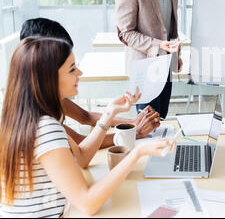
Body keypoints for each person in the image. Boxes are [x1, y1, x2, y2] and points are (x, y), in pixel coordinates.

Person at [0, 36, 176, 217]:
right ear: (49, 79)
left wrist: (110, 112)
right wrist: (137, 152)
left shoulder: (29, 118)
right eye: (72, 69)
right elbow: (88, 204)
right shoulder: (46, 128)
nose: (80, 73)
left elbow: (80, 158)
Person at [20, 18, 161, 148]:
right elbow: (81, 144)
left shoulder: (46, 91)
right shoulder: (38, 114)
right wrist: (135, 132)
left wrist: (132, 123)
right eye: (70, 67)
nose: (79, 72)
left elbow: (85, 117)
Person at [115, 0, 183, 119]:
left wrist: (176, 54)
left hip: (166, 63)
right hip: (143, 68)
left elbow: (170, 23)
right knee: (147, 124)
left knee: (161, 118)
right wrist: (158, 45)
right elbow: (125, 33)